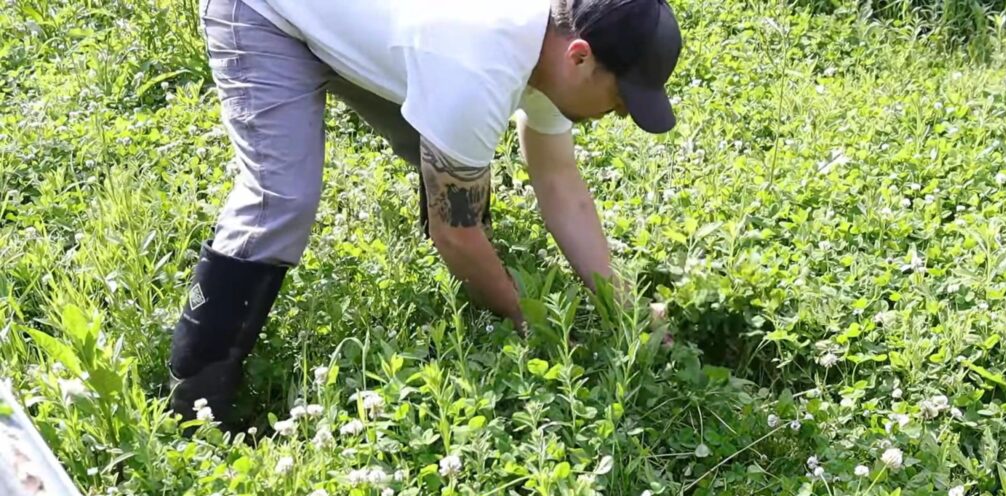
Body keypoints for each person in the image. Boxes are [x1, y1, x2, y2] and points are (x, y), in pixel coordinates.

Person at [168, 0, 683, 426]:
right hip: (267, 15)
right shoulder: (478, 66)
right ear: (579, 57)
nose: (618, 113)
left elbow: (559, 184)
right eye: (620, 97)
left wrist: (625, 307)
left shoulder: (555, 36)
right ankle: (196, 395)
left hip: (362, 20)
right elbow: (455, 233)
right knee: (282, 199)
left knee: (456, 157)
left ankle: (475, 278)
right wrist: (530, 322)